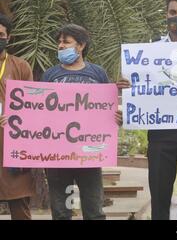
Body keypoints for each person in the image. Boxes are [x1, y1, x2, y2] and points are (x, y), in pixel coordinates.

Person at [117, 0, 177, 220]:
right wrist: (127, 85)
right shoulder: (149, 50)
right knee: (159, 199)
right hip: (160, 134)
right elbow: (140, 88)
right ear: (166, 15)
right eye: (172, 12)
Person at [41, 23, 122, 220]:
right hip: (57, 157)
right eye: (59, 42)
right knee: (61, 212)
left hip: (89, 156)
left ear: (81, 46)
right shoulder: (50, 76)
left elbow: (107, 109)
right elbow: (39, 113)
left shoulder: (98, 74)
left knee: (94, 211)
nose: (60, 46)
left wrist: (116, 118)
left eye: (66, 42)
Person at [0, 13, 36, 220]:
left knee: (20, 203)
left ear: (8, 37)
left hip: (14, 145)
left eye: (0, 34)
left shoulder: (21, 66)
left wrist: (14, 119)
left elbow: (32, 108)